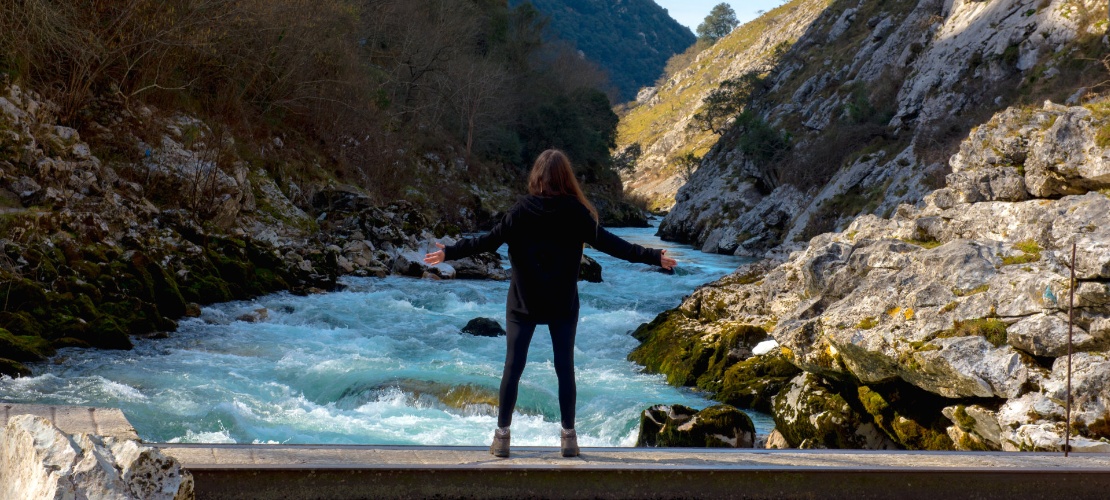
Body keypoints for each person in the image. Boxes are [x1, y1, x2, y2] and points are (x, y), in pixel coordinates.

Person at [423, 149, 677, 458]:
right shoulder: (577, 213)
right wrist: (653, 256)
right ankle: (568, 438)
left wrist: (449, 252)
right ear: (565, 178)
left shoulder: (519, 211)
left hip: (523, 302)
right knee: (564, 368)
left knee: (513, 367)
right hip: (561, 303)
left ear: (537, 177)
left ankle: (502, 438)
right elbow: (613, 245)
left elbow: (487, 241)